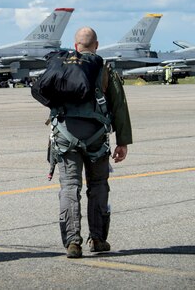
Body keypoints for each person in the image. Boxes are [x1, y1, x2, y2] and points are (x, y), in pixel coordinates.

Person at [48, 27, 132, 258]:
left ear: (75, 46)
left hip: (65, 138)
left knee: (69, 187)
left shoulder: (62, 67)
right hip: (96, 140)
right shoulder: (104, 70)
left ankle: (72, 243)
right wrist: (122, 141)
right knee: (98, 186)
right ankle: (97, 239)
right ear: (96, 45)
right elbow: (119, 107)